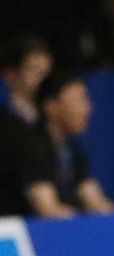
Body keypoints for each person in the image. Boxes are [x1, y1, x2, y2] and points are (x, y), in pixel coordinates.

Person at [20, 68, 114, 218]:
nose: (87, 108)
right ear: (51, 106)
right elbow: (48, 210)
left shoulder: (74, 149)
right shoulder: (31, 147)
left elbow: (94, 200)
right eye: (79, 99)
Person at [0, 35, 52, 217]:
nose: (42, 80)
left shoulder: (49, 125)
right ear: (10, 75)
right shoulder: (7, 126)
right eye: (34, 70)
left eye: (45, 73)